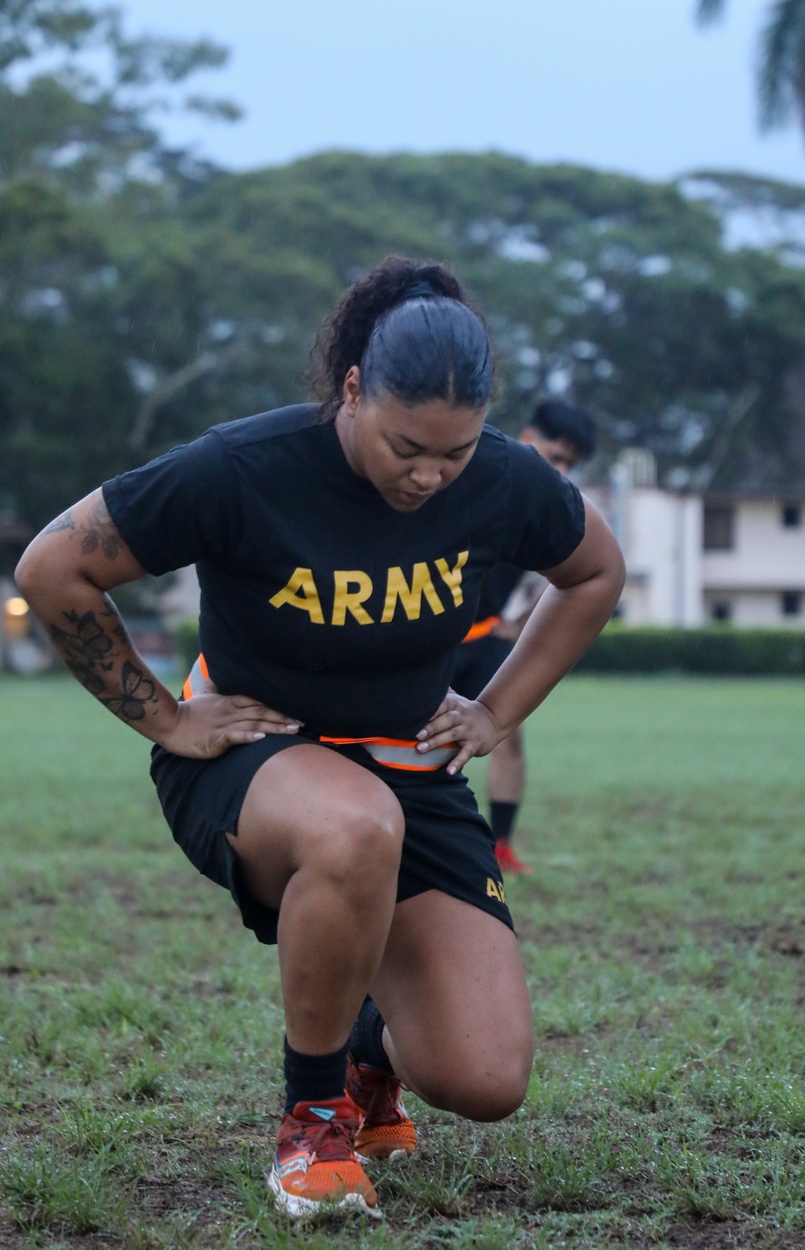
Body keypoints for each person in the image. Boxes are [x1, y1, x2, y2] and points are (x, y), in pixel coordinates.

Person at [15, 256, 625, 1223]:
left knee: (484, 1077)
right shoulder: (242, 468)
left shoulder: (505, 478)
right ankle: (313, 1123)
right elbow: (53, 569)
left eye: (453, 454)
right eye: (404, 445)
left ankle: (368, 1048)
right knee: (354, 826)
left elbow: (594, 571)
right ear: (352, 391)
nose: (428, 474)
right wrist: (168, 718)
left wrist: (499, 710)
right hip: (250, 763)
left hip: (408, 772)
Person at [450, 399, 597, 874]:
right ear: (528, 437)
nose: (559, 471)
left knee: (507, 734)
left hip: (486, 637)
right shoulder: (473, 477)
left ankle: (502, 846)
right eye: (555, 457)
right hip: (428, 642)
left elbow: (571, 578)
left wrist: (522, 623)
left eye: (569, 465)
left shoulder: (539, 505)